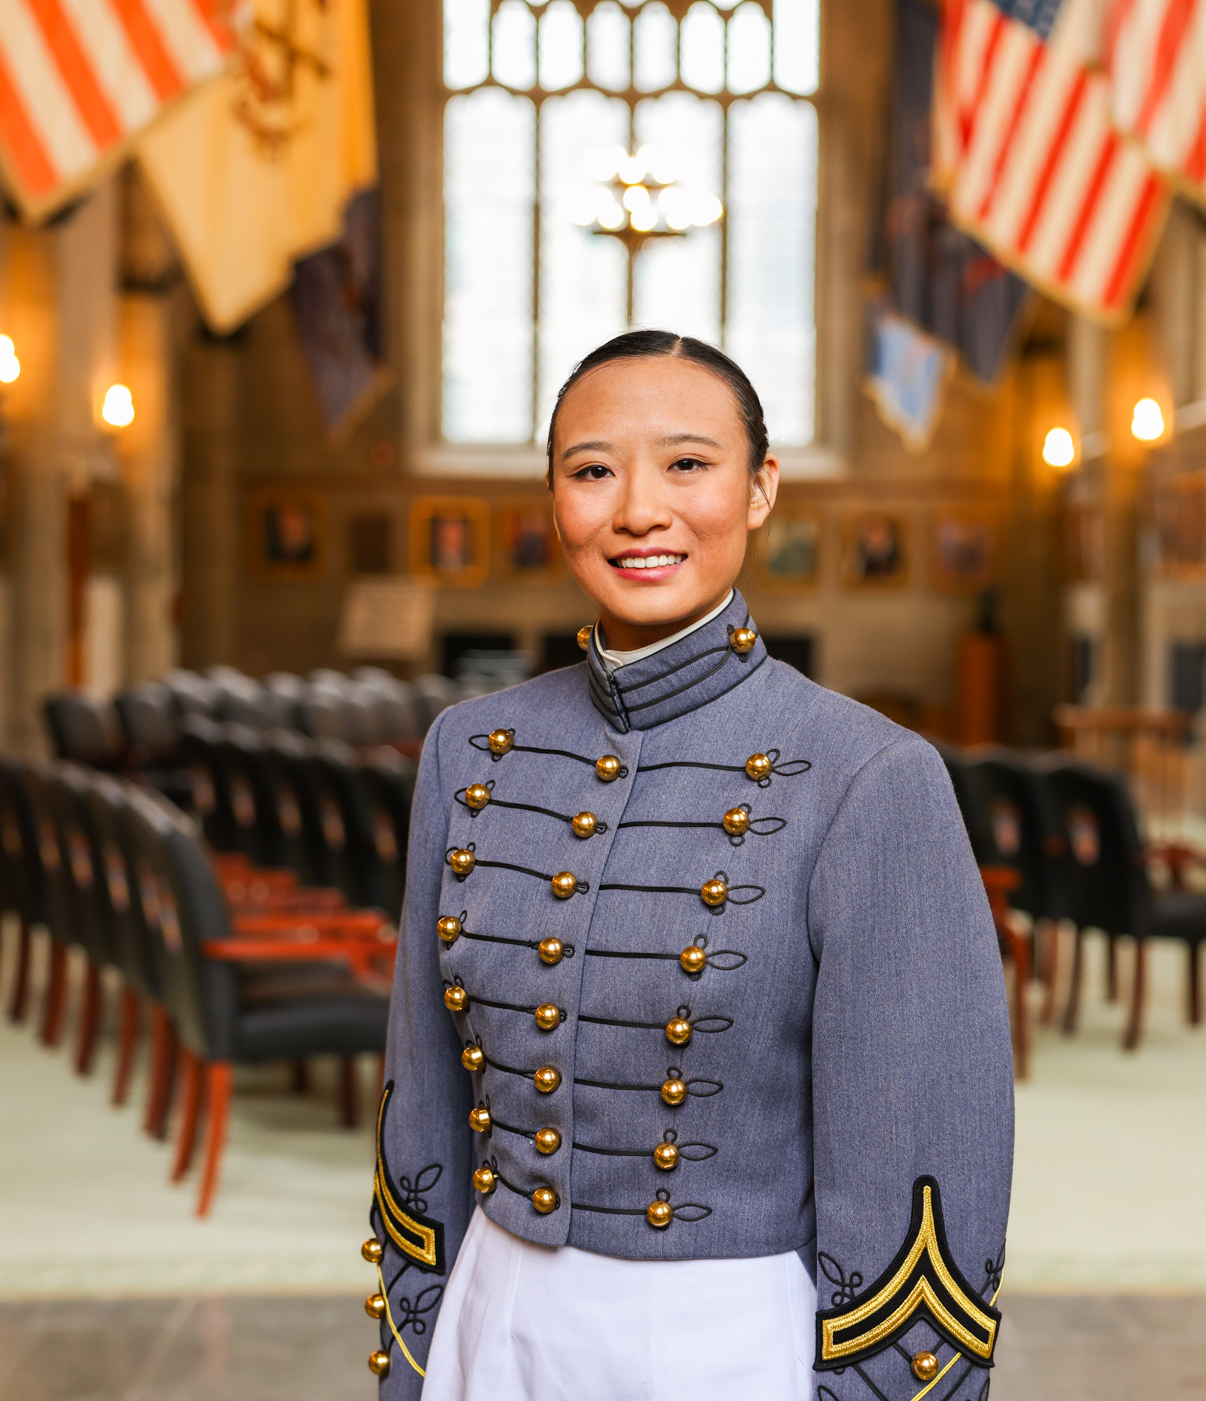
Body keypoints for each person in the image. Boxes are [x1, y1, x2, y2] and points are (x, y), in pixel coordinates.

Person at [364, 330, 1014, 1401]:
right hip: (492, 1324)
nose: (637, 510)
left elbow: (918, 1169)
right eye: (591, 470)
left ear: (760, 489)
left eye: (687, 463)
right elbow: (421, 1099)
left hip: (722, 1346)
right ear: (553, 496)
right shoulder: (468, 750)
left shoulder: (872, 775)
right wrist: (421, 1347)